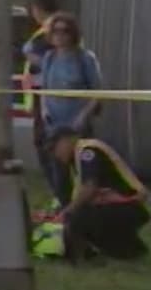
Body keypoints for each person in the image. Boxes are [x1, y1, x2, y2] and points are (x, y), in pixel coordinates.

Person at [48, 127, 151, 260]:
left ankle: (122, 252)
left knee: (79, 219)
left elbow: (89, 188)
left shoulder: (87, 152)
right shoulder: (76, 159)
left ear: (67, 139)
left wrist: (67, 211)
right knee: (83, 216)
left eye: (54, 148)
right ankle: (131, 250)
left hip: (131, 204)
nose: (54, 154)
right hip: (123, 206)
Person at [38, 12, 103, 206]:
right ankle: (64, 206)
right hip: (54, 125)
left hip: (77, 126)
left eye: (64, 31)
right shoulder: (49, 57)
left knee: (83, 170)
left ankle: (83, 207)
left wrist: (83, 116)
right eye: (55, 31)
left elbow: (98, 92)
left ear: (72, 34)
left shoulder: (85, 58)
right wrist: (44, 110)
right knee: (58, 171)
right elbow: (44, 88)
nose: (59, 35)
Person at [21, 0, 59, 163]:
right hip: (44, 93)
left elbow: (53, 63)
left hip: (47, 95)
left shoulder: (52, 31)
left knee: (45, 141)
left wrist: (31, 57)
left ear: (38, 8)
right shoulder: (49, 29)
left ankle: (58, 186)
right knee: (43, 140)